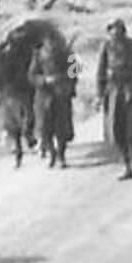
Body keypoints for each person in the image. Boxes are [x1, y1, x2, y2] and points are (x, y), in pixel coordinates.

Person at [96, 18, 132, 179]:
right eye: (112, 29)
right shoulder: (105, 47)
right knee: (116, 130)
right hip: (112, 91)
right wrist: (99, 94)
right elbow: (100, 71)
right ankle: (126, 165)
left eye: (118, 28)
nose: (115, 32)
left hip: (130, 89)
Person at [28, 39, 76, 168]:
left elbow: (75, 70)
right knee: (44, 128)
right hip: (44, 97)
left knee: (62, 128)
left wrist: (65, 81)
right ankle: (52, 153)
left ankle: (61, 155)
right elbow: (32, 75)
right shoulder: (38, 56)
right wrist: (44, 80)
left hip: (61, 95)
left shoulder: (67, 53)